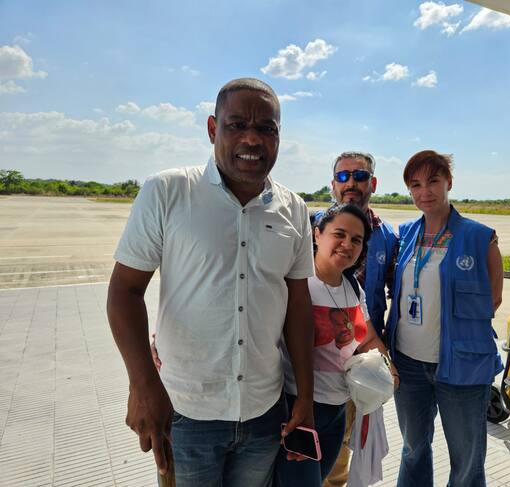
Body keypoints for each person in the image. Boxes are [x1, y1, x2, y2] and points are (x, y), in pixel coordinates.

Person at [106, 78, 315, 487]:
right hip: (185, 411)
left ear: (279, 136)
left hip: (264, 412)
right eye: (237, 125)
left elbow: (298, 307)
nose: (252, 138)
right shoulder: (168, 191)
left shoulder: (294, 209)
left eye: (267, 128)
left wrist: (304, 396)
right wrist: (143, 385)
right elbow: (124, 292)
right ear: (212, 128)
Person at [385, 150, 504, 487]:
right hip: (408, 363)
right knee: (413, 449)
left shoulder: (480, 237)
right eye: (415, 184)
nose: (425, 191)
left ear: (449, 182)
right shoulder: (405, 234)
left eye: (433, 181)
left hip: (462, 365)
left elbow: (494, 299)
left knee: (467, 460)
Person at [274, 204, 398, 487]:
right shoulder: (296, 283)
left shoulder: (353, 287)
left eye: (356, 240)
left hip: (338, 409)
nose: (347, 244)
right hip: (298, 408)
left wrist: (389, 371)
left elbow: (368, 339)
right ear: (317, 235)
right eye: (339, 234)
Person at [316, 151, 398, 487]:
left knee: (339, 461)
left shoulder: (388, 236)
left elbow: (398, 295)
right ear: (333, 184)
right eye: (343, 176)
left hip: (359, 369)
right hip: (307, 378)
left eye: (360, 176)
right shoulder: (310, 227)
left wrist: (386, 364)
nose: (351, 183)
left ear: (372, 183)